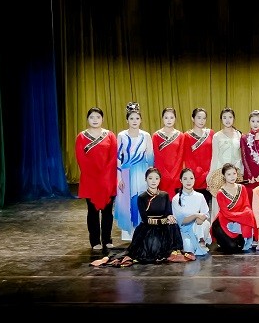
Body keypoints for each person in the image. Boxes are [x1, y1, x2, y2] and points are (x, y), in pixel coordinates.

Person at [103, 167, 185, 267]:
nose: (153, 181)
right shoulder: (142, 197)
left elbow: (168, 212)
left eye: (156, 178)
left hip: (163, 227)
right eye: (150, 178)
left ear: (160, 180)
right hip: (149, 228)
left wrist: (170, 217)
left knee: (174, 225)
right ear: (146, 179)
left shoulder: (165, 195)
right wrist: (163, 221)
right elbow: (145, 219)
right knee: (153, 248)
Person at [76, 107, 117, 254]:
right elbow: (81, 159)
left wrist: (105, 176)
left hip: (108, 179)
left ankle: (107, 239)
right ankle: (95, 241)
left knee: (107, 212)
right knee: (92, 212)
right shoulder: (81, 137)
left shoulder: (110, 135)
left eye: (98, 117)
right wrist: (95, 176)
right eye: (92, 117)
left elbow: (113, 157)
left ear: (102, 119)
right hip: (90, 180)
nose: (95, 120)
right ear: (87, 119)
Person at [114, 102, 154, 242]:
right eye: (131, 118)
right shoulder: (122, 135)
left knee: (141, 201)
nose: (134, 121)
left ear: (141, 120)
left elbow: (150, 158)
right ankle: (130, 233)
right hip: (126, 172)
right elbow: (118, 157)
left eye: (137, 118)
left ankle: (142, 231)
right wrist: (119, 177)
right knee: (128, 202)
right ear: (127, 120)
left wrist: (150, 177)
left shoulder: (146, 135)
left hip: (142, 172)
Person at [211, 162, 256, 254]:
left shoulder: (242, 188)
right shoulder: (220, 193)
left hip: (239, 220)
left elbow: (246, 206)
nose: (232, 176)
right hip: (224, 221)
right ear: (224, 176)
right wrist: (242, 216)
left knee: (242, 246)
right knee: (232, 247)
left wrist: (245, 215)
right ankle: (221, 240)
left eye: (234, 173)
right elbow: (226, 213)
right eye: (229, 174)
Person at [209, 107, 245, 219]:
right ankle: (217, 227)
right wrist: (210, 175)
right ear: (221, 119)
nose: (227, 120)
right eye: (224, 117)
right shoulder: (217, 136)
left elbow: (241, 155)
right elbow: (215, 156)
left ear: (234, 119)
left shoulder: (239, 135)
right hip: (220, 173)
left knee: (235, 202)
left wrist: (241, 171)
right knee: (219, 202)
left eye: (230, 117)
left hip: (235, 173)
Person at [172, 168, 212, 259]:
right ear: (181, 180)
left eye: (191, 178)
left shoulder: (200, 196)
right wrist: (196, 215)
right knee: (189, 249)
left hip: (197, 227)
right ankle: (195, 244)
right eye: (185, 179)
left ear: (194, 179)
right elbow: (180, 221)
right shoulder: (176, 199)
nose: (188, 181)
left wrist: (201, 218)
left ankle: (201, 241)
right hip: (184, 230)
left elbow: (206, 214)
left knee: (205, 223)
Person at [183, 107, 214, 207]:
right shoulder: (187, 136)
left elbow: (214, 154)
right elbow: (188, 158)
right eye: (199, 118)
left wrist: (209, 173)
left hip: (209, 176)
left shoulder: (210, 133)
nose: (201, 121)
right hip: (195, 177)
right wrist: (198, 174)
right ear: (193, 118)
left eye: (204, 118)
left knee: (208, 207)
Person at [152, 107, 185, 198]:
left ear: (175, 119)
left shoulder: (180, 135)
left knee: (176, 201)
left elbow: (180, 157)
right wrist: (164, 174)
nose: (169, 120)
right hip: (161, 175)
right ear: (162, 119)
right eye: (166, 117)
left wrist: (174, 174)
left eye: (171, 117)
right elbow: (157, 157)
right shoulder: (156, 136)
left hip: (176, 175)